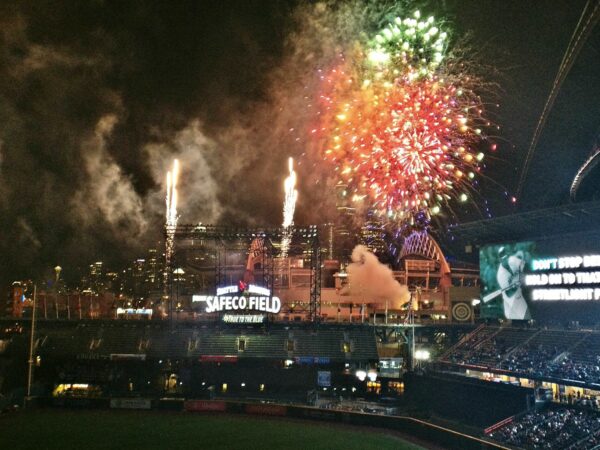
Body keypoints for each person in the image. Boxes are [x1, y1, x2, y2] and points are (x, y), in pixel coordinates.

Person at [496, 248, 531, 320]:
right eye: (502, 258)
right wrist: (516, 286)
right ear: (499, 260)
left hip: (523, 288)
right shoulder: (500, 276)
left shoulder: (512, 259)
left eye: (506, 257)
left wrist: (521, 274)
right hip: (512, 299)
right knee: (526, 317)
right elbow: (509, 293)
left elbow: (525, 266)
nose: (505, 259)